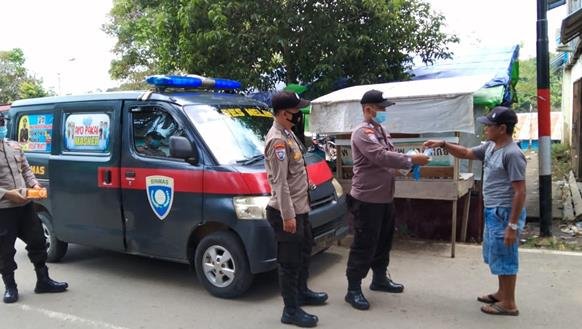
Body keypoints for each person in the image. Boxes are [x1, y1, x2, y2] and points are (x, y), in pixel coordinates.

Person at [424, 106, 526, 316]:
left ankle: (509, 303)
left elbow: (520, 192)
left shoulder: (512, 154)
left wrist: (512, 225)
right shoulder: (491, 147)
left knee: (506, 257)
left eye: (489, 125)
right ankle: (501, 293)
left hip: (505, 212)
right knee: (497, 254)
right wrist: (443, 144)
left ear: (502, 128)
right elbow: (466, 153)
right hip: (493, 211)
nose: (485, 128)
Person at [345, 89, 429, 311]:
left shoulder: (381, 130)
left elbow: (389, 158)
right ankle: (353, 289)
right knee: (364, 244)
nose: (383, 112)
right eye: (381, 108)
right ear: (368, 109)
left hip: (384, 197)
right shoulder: (362, 133)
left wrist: (407, 168)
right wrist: (411, 159)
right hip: (367, 199)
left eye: (384, 108)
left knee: (384, 241)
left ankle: (379, 279)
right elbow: (380, 157)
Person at [264, 91, 327, 327]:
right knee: (289, 263)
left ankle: (302, 293)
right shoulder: (277, 140)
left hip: (300, 208)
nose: (299, 114)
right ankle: (290, 310)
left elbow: (295, 172)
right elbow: (279, 183)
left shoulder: (288, 132)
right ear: (283, 113)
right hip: (285, 212)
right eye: (296, 111)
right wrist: (288, 216)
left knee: (303, 253)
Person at [0, 112, 68, 304]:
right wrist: (7, 193)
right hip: (3, 208)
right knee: (5, 250)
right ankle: (10, 287)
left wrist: (35, 185)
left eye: (2, 124)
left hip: (25, 205)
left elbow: (26, 169)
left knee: (38, 240)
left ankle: (43, 280)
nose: (1, 128)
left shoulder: (13, 146)